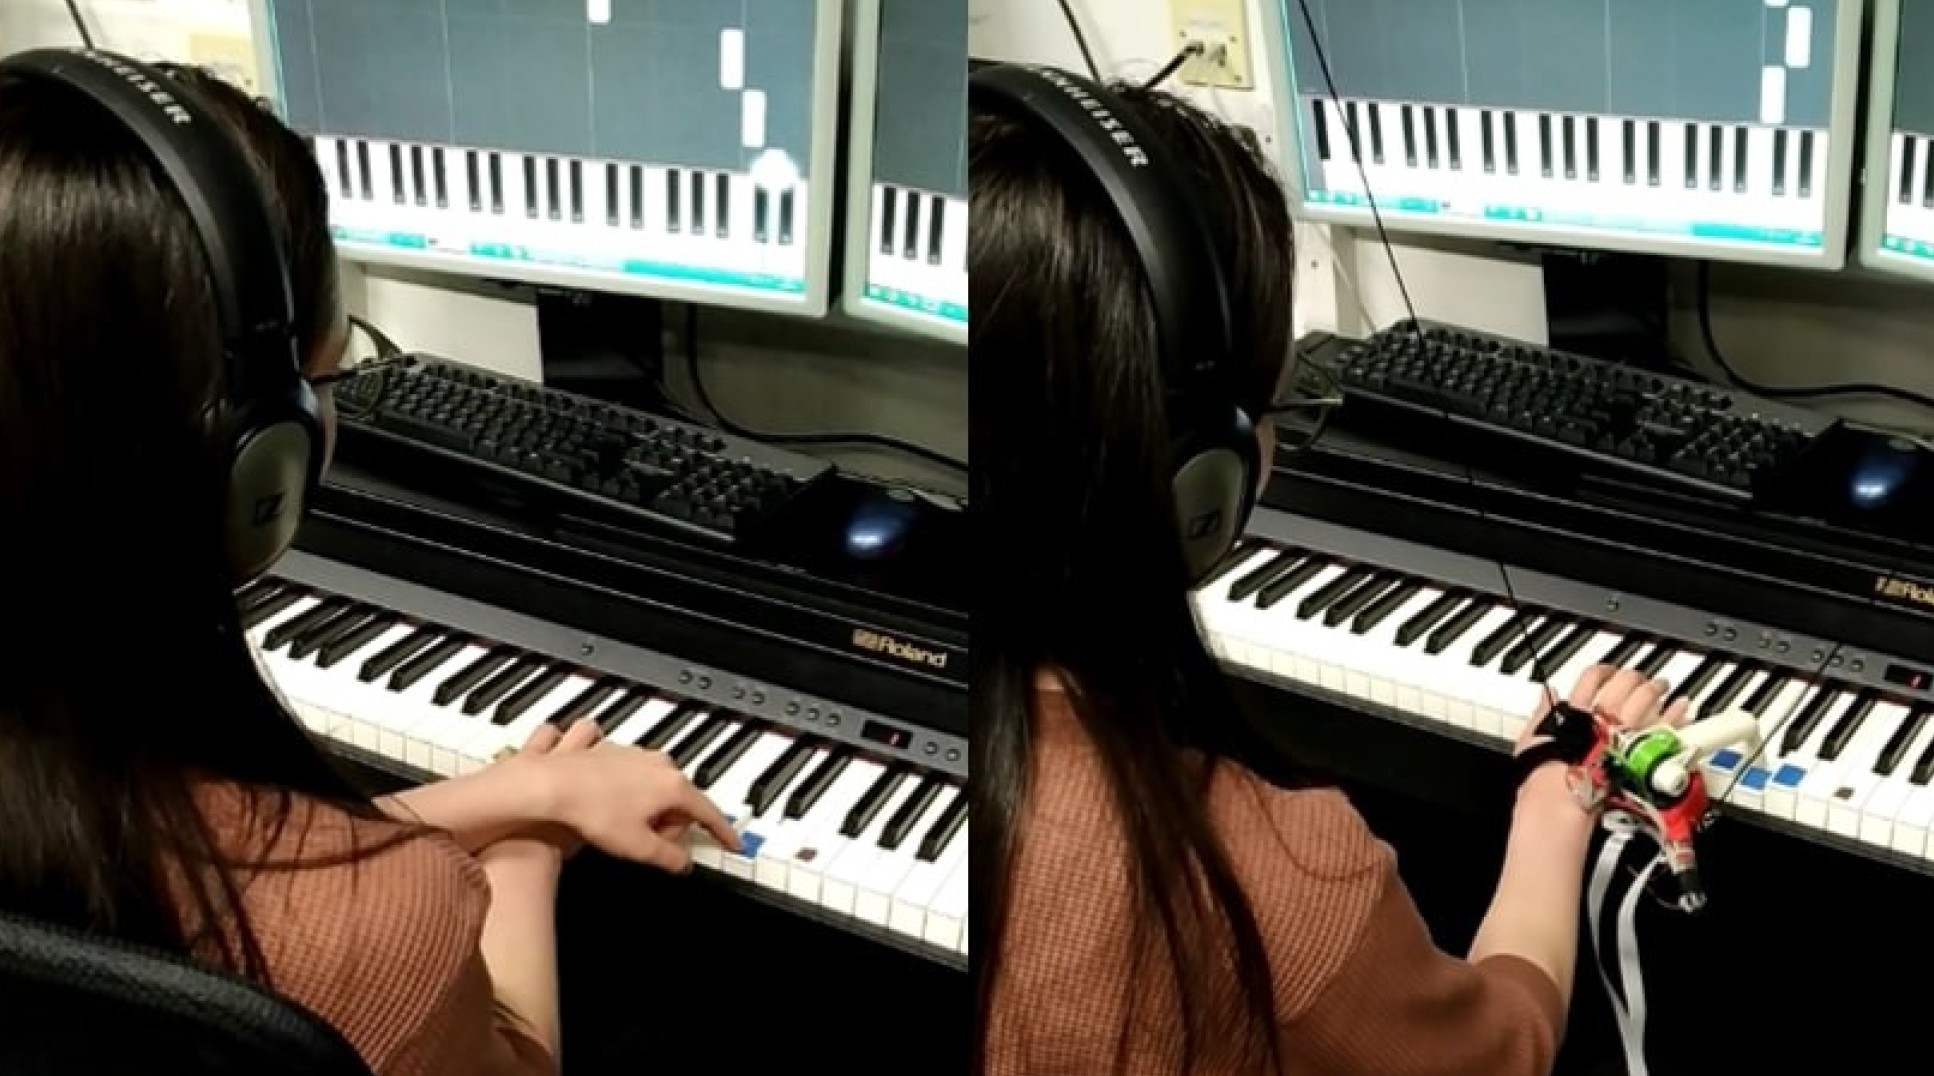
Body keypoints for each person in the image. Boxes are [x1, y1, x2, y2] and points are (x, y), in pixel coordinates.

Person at [0, 56, 737, 1076]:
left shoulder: (73, 776)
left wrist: (510, 789)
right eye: (332, 376)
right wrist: (523, 851)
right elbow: (510, 1050)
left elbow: (211, 864)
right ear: (259, 458)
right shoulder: (380, 925)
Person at [969, 73, 1688, 1075]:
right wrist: (1550, 798)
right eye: (1271, 402)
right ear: (1196, 481)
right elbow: (1503, 1044)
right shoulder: (1267, 877)